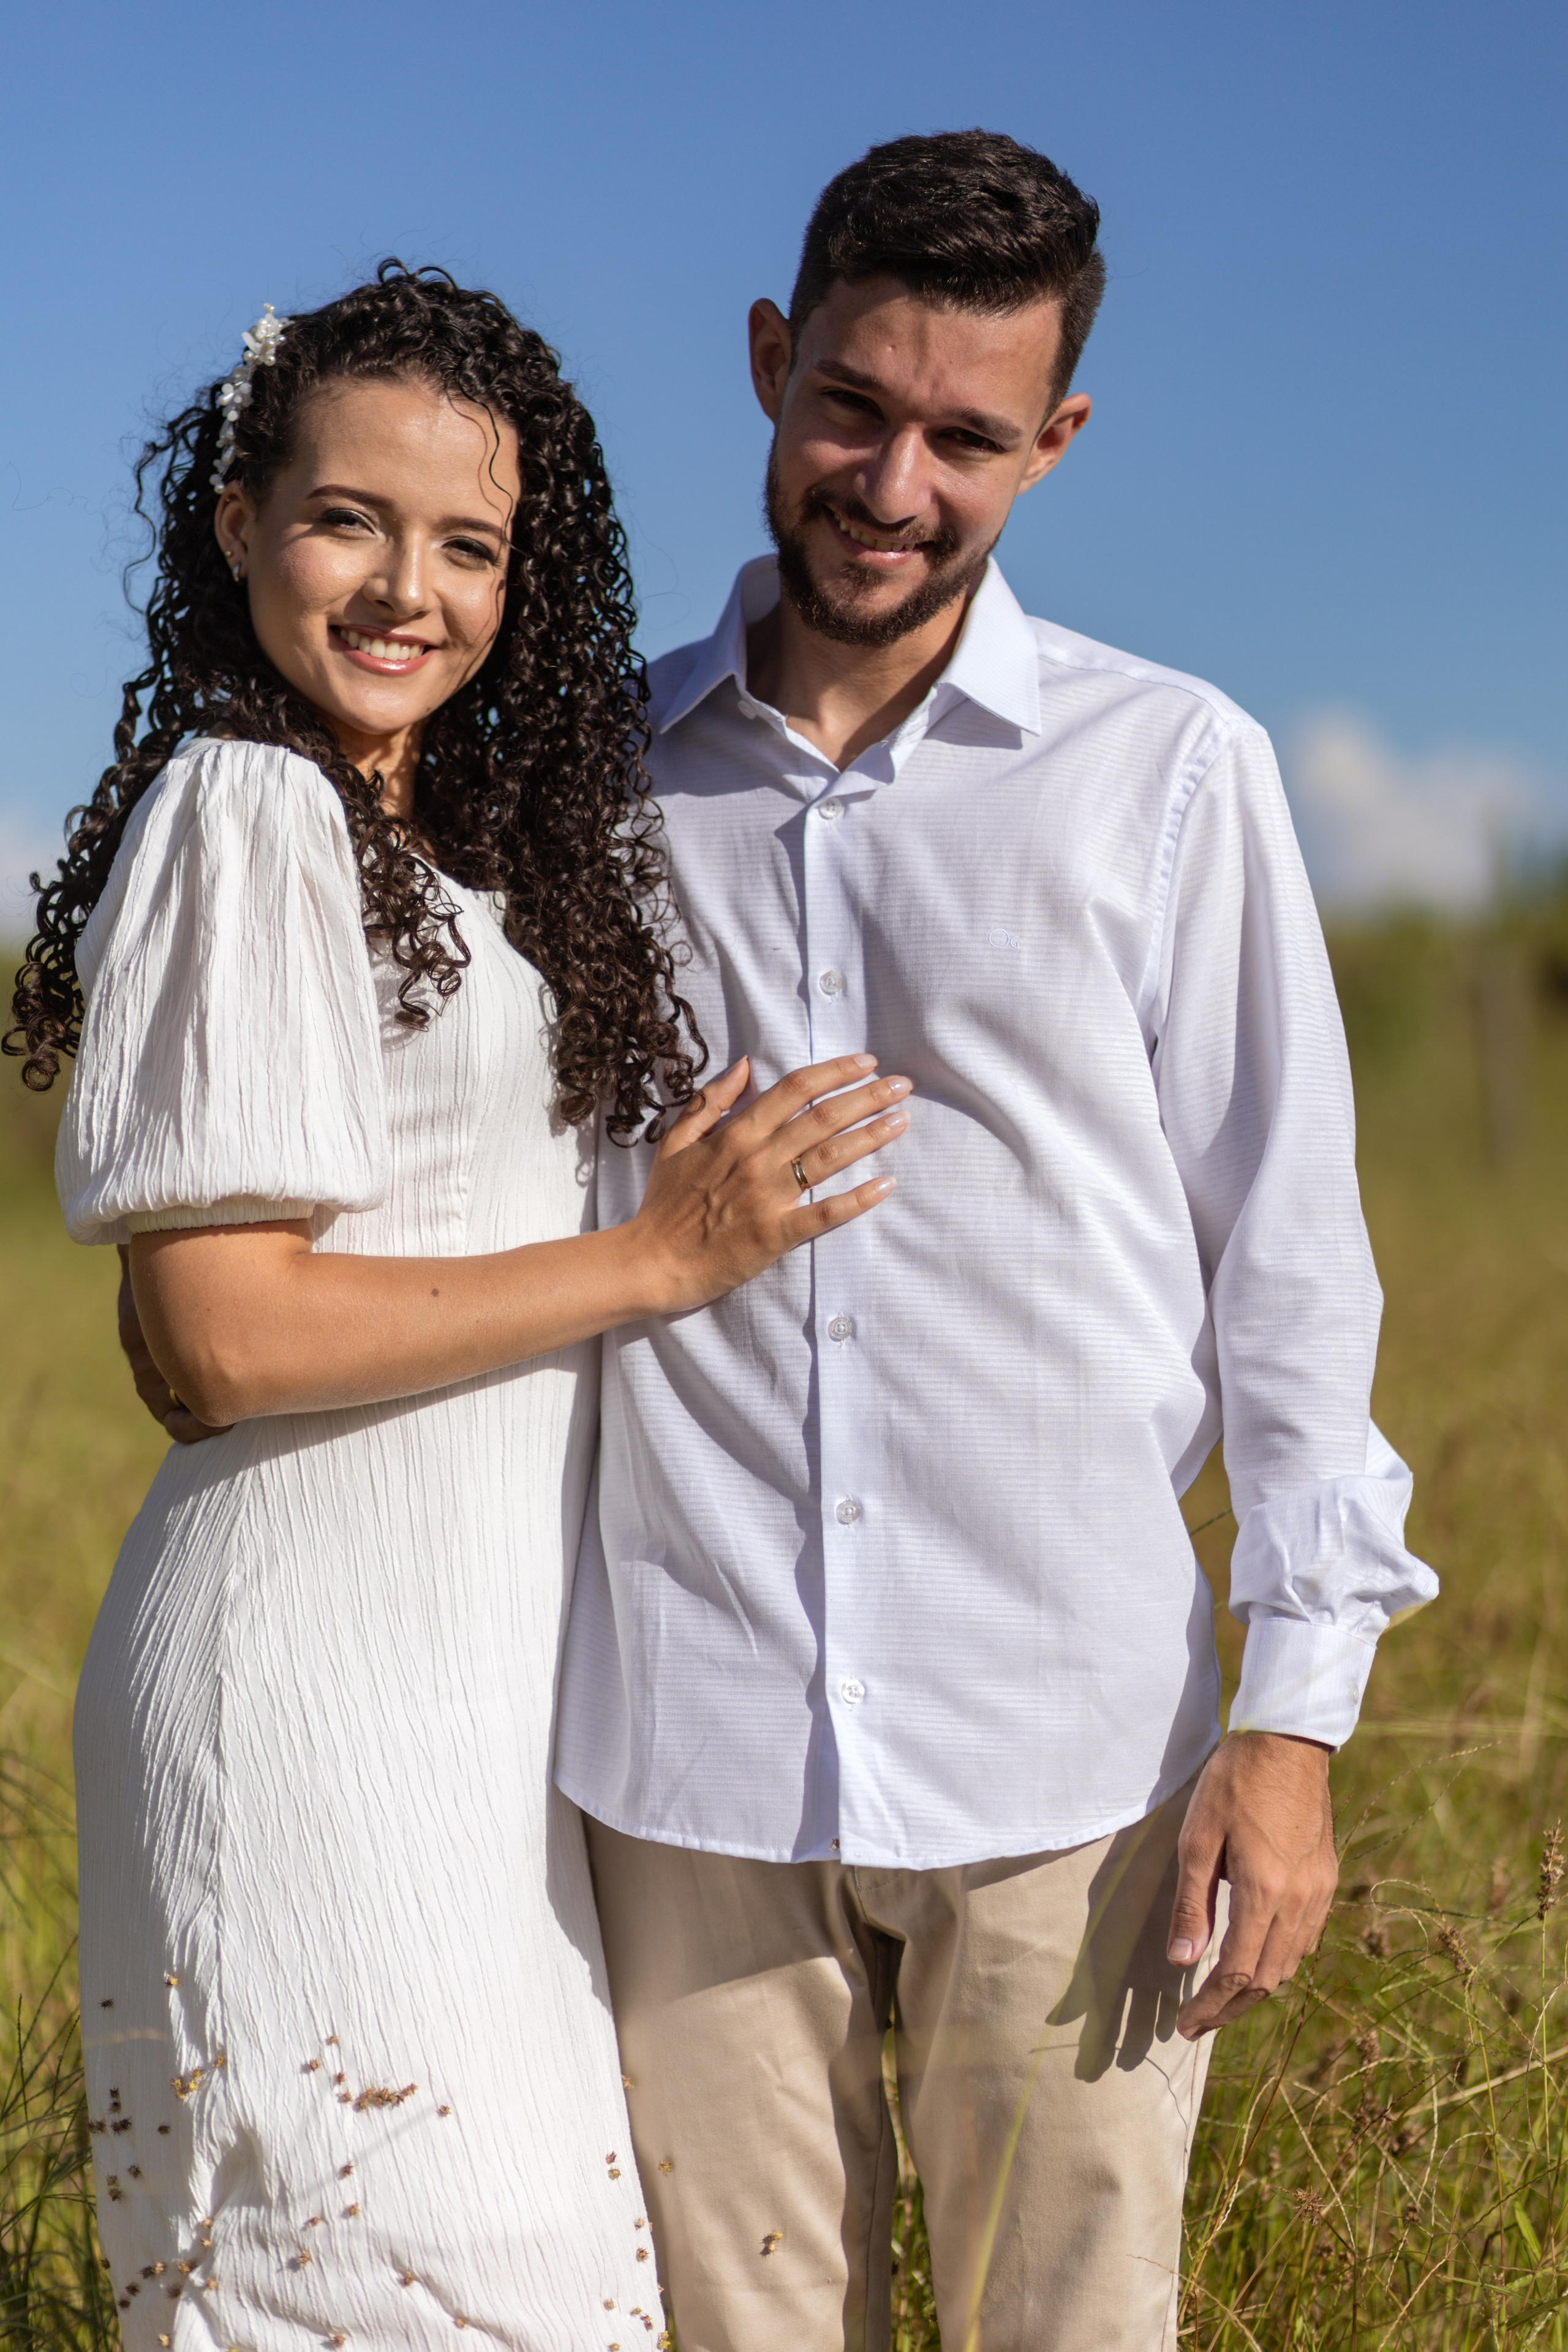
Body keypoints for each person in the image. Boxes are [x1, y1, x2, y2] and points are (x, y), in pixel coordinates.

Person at [554, 133, 1439, 2352]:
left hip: (1073, 1757)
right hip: (685, 1748)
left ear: (1056, 441)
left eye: (966, 437)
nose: (894, 484)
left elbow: (1291, 1268)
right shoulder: (585, 779)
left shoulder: (1174, 771)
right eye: (853, 406)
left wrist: (1295, 1724)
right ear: (771, 362)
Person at [10, 263, 908, 2352]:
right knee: (393, 2283)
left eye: (469, 544)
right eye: (348, 521)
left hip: (471, 1694)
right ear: (238, 520)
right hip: (317, 1684)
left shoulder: (435, 838)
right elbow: (221, 1337)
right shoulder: (248, 806)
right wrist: (661, 1257)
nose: (408, 591)